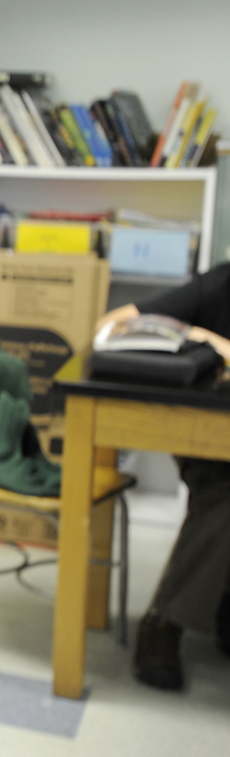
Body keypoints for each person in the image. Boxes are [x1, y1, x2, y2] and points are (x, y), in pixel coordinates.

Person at [96, 263, 230, 691]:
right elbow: (113, 325)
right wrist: (207, 340)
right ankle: (165, 620)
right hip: (212, 443)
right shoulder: (221, 283)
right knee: (226, 494)